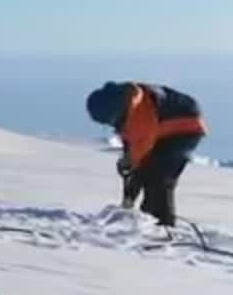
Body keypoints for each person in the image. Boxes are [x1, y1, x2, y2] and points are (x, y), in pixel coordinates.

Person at [85, 81, 208, 227]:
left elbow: (138, 158)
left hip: (185, 131)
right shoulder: (127, 105)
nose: (111, 124)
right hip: (162, 132)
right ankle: (150, 219)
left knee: (159, 177)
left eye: (110, 120)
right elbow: (133, 150)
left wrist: (129, 175)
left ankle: (163, 226)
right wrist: (128, 167)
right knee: (149, 172)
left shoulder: (140, 114)